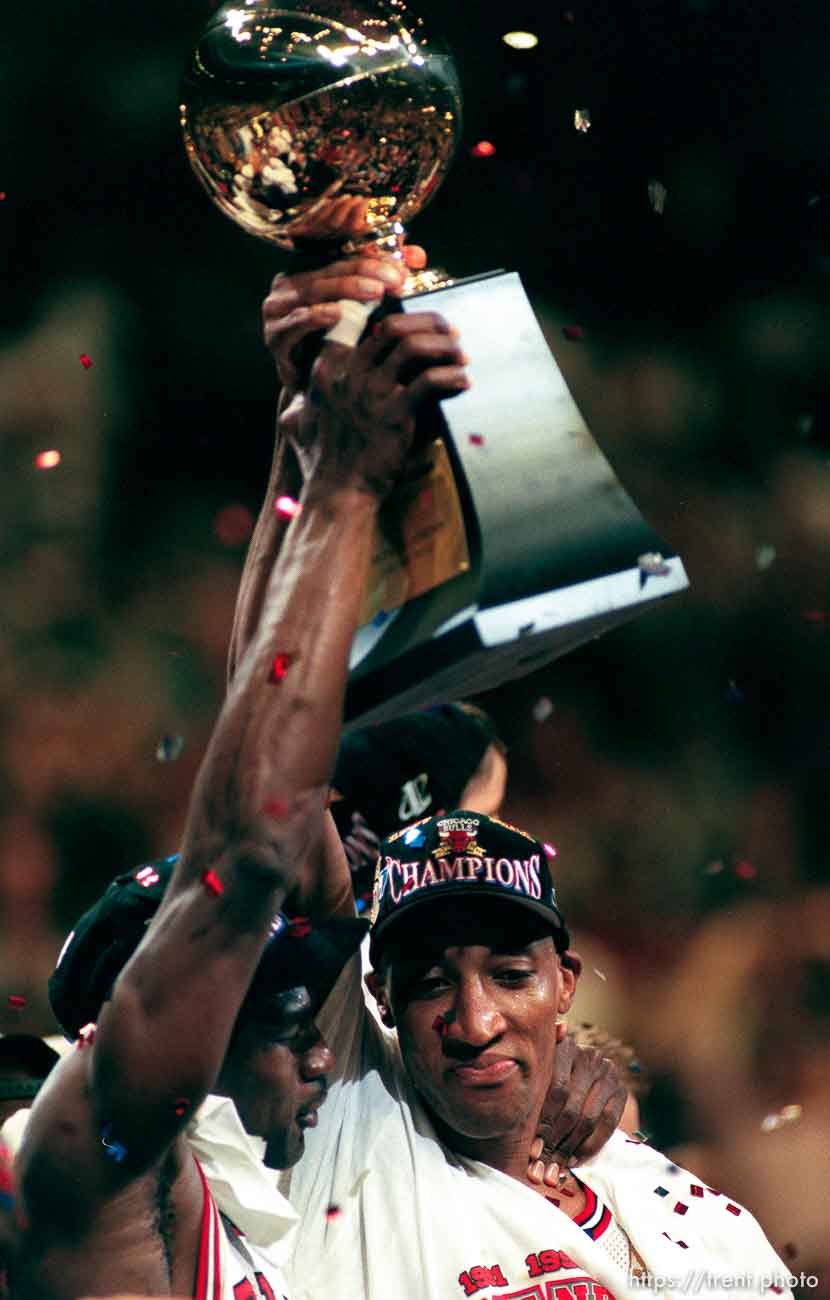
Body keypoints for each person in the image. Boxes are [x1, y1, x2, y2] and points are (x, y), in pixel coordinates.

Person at [228, 252, 793, 1300]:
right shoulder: (355, 1118)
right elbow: (263, 782)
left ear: (564, 984)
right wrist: (310, 451)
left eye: (509, 974)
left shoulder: (689, 1219)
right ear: (380, 1000)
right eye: (431, 979)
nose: (474, 1018)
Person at [12, 298, 472, 1299]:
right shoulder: (93, 1150)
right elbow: (248, 852)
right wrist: (347, 488)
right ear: (175, 1012)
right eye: (284, 1020)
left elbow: (263, 776)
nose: (322, 1059)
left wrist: (303, 436)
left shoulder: (242, 1198)